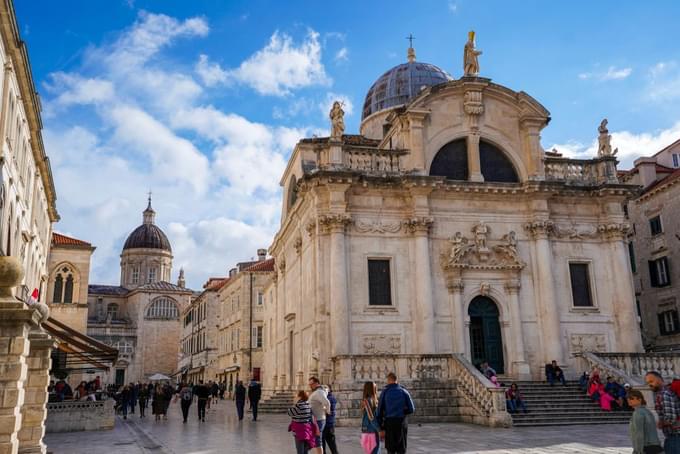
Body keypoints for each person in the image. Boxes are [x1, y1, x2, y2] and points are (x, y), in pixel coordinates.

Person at [376, 372, 415, 454]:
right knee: (402, 448)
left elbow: (379, 412)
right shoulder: (404, 391)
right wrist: (403, 412)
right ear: (396, 380)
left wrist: (381, 427)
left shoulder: (385, 392)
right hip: (401, 423)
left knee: (390, 449)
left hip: (389, 423)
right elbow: (411, 409)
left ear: (388, 380)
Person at [646, 370, 680, 453]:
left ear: (659, 379)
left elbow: (671, 418)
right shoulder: (665, 392)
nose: (650, 384)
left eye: (651, 381)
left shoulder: (664, 394)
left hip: (675, 436)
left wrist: (660, 423)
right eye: (648, 382)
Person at [627, 389, 663, 454]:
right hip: (655, 446)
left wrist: (638, 450)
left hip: (646, 447)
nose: (629, 400)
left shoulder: (638, 413)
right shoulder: (647, 411)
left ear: (639, 400)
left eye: (632, 398)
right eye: (628, 398)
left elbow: (639, 433)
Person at [308, 377, 330, 454]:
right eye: (309, 384)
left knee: (317, 440)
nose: (310, 386)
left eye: (312, 384)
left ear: (317, 383)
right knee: (315, 440)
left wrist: (327, 412)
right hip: (316, 419)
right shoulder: (317, 392)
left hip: (319, 420)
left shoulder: (319, 392)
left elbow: (327, 403)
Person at [360, 381, 380, 454]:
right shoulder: (368, 401)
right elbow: (371, 417)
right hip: (371, 430)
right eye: (375, 387)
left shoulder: (370, 400)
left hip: (369, 429)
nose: (376, 389)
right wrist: (379, 429)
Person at [322, 385, 339, 454]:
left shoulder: (327, 398)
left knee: (323, 445)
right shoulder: (331, 398)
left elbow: (328, 411)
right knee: (332, 446)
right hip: (330, 424)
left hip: (326, 424)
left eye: (324, 388)